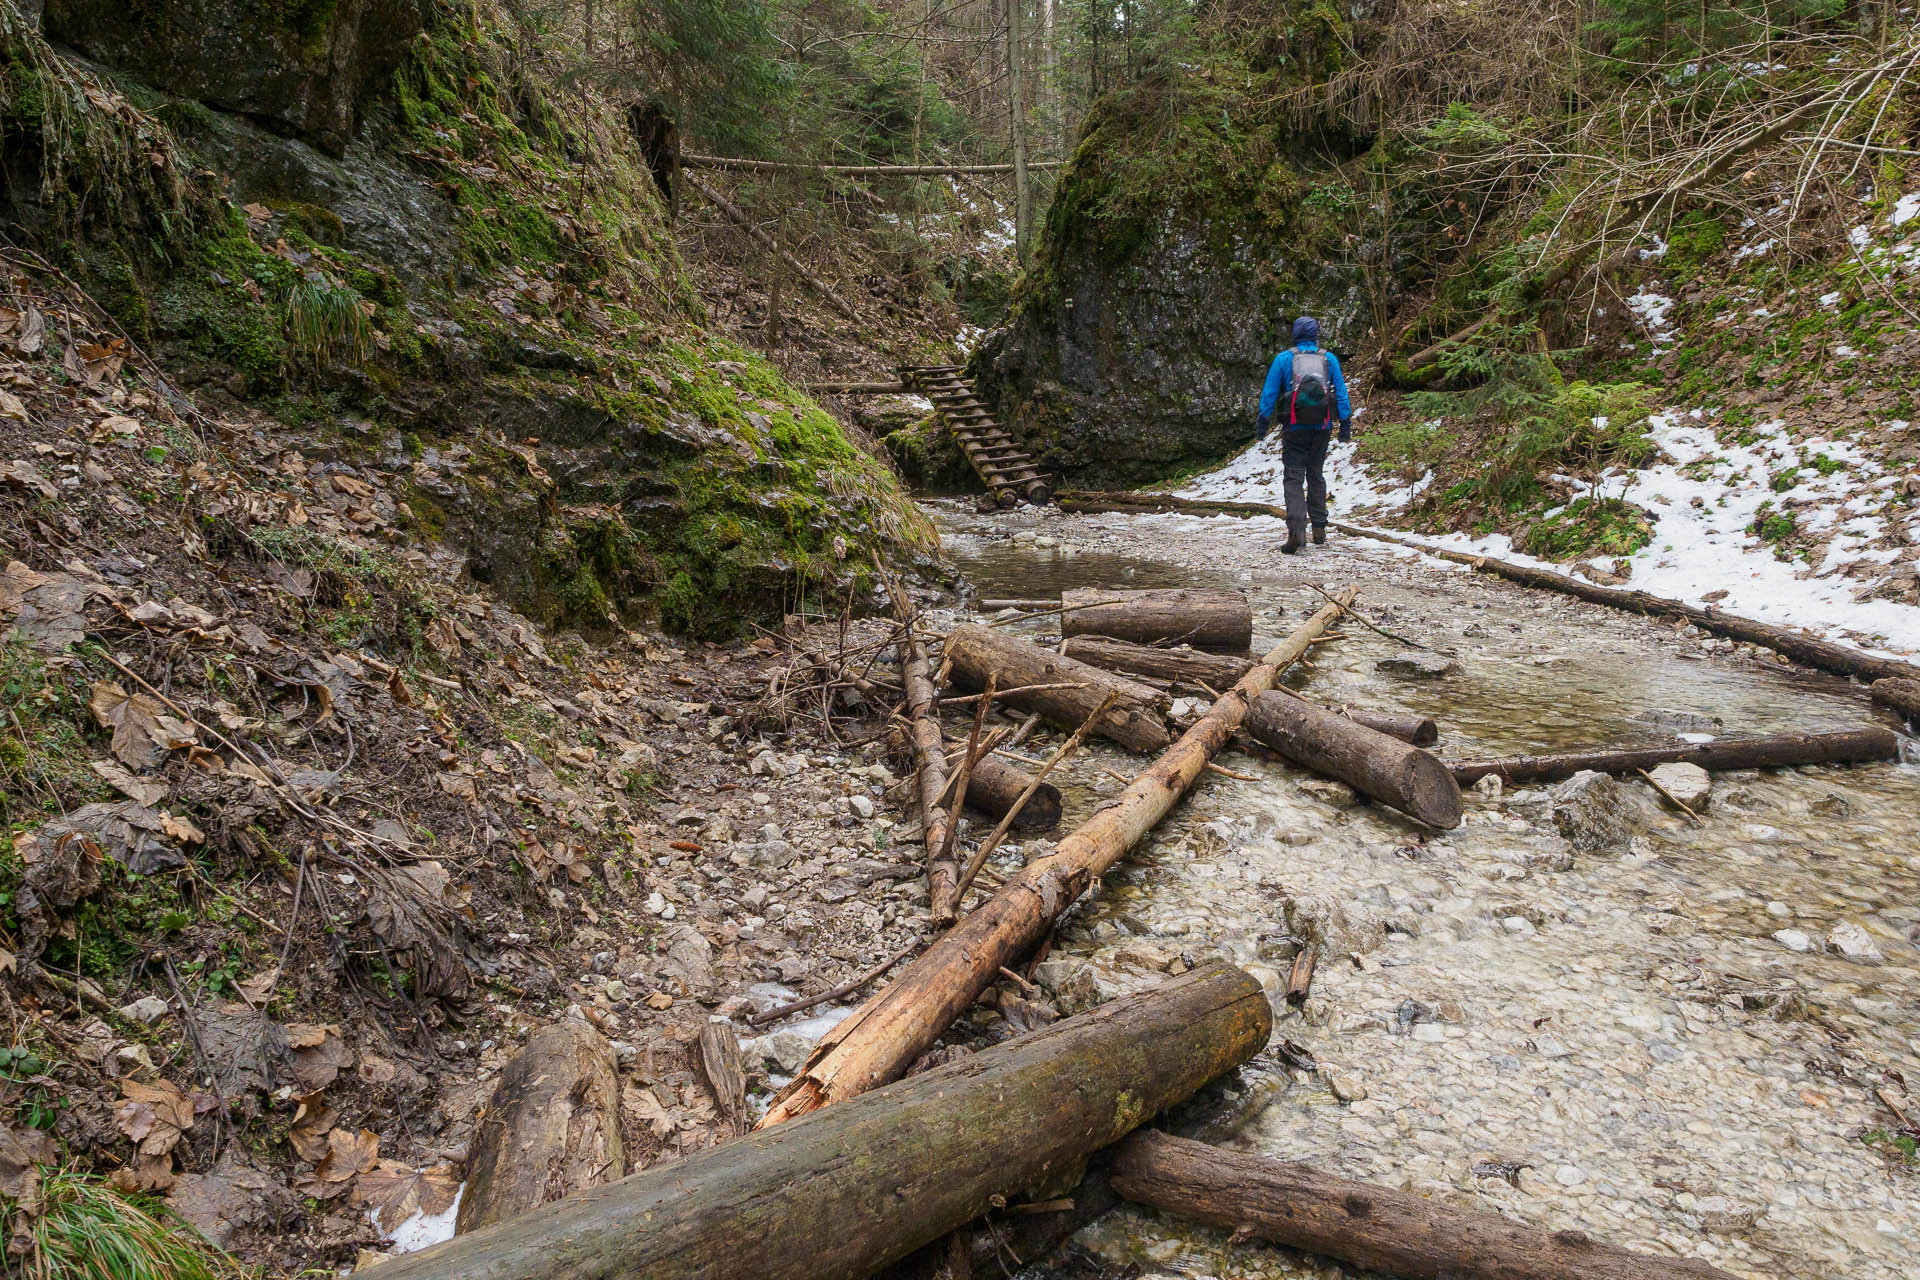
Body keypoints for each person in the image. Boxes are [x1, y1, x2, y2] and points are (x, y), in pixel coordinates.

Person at [1256, 316, 1353, 554]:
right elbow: (1340, 392)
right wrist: (1346, 423)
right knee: (1316, 474)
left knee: (1293, 477)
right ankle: (1319, 528)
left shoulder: (1283, 359)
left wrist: (1262, 421)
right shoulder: (1328, 359)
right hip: (1322, 427)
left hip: (1294, 428)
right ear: (1316, 334)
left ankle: (1297, 530)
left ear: (1295, 334)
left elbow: (1269, 393)